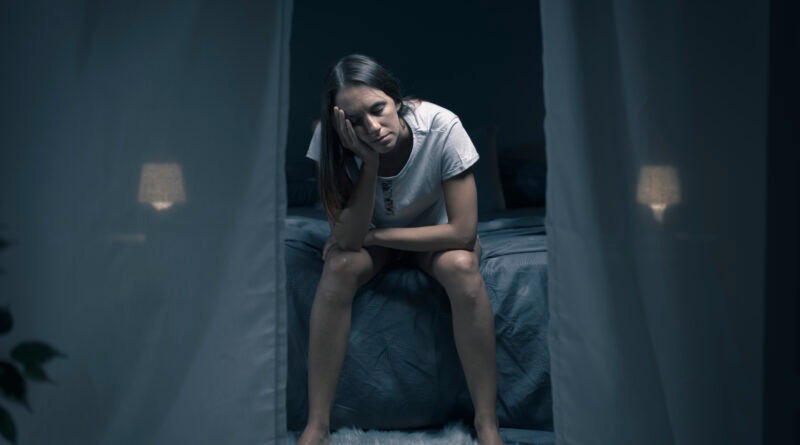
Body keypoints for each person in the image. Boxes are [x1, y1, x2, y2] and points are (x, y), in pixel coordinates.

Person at [297, 54, 503, 445]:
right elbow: (347, 241)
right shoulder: (331, 139)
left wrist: (377, 237)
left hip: (434, 238)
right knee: (339, 266)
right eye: (355, 121)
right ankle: (317, 425)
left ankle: (487, 423)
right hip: (371, 240)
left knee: (462, 267)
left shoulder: (442, 126)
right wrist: (369, 163)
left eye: (378, 110)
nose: (372, 128)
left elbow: (462, 232)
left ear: (396, 99)